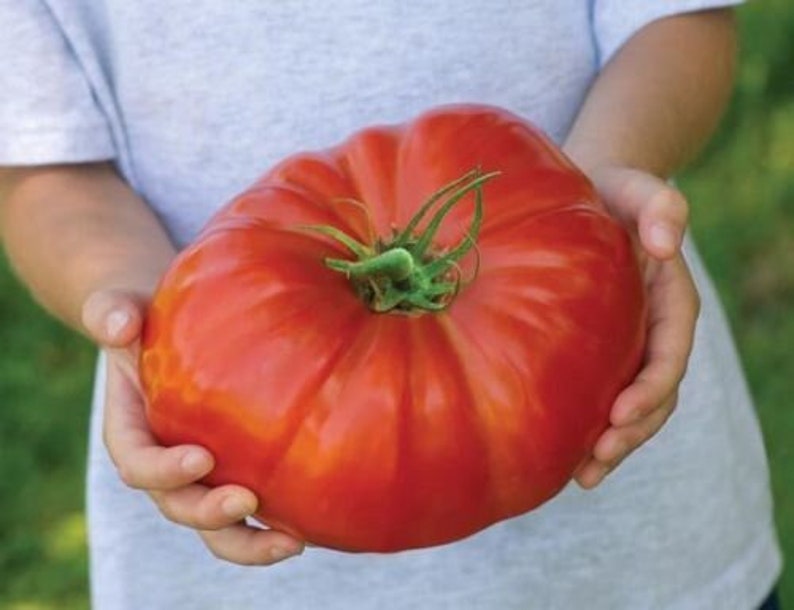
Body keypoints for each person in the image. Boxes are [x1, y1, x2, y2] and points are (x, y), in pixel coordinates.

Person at [0, 1, 783, 608]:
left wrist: (597, 194)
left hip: (641, 541)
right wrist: (144, 317)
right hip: (222, 518)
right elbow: (42, 164)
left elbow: (676, 21)